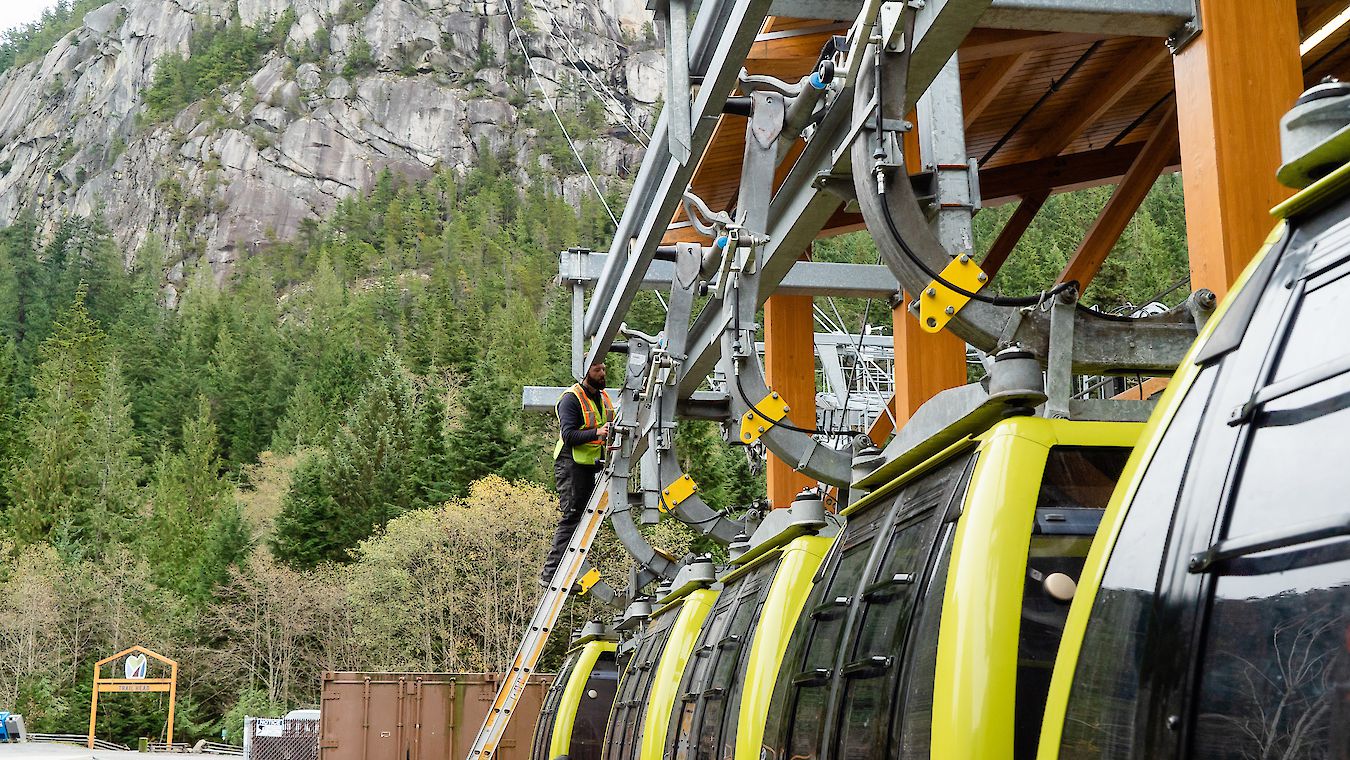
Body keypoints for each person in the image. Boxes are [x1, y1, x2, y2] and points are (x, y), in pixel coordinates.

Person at [540, 360, 613, 587]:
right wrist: (598, 432)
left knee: (587, 518)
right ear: (585, 373)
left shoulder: (602, 398)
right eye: (597, 370)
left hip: (593, 463)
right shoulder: (571, 399)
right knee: (573, 516)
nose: (602, 374)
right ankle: (551, 574)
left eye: (603, 369)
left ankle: (571, 572)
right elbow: (569, 436)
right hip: (572, 464)